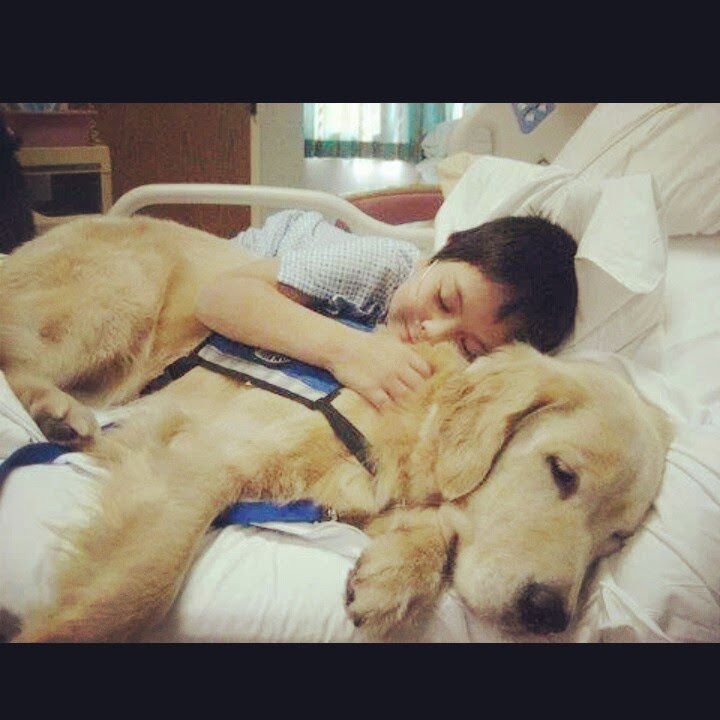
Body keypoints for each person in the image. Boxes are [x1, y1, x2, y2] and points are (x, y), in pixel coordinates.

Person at [196, 209, 578, 410]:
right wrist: (347, 351)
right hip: (235, 262)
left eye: (469, 347)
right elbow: (218, 296)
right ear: (444, 250)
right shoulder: (382, 266)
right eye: (444, 300)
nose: (434, 332)